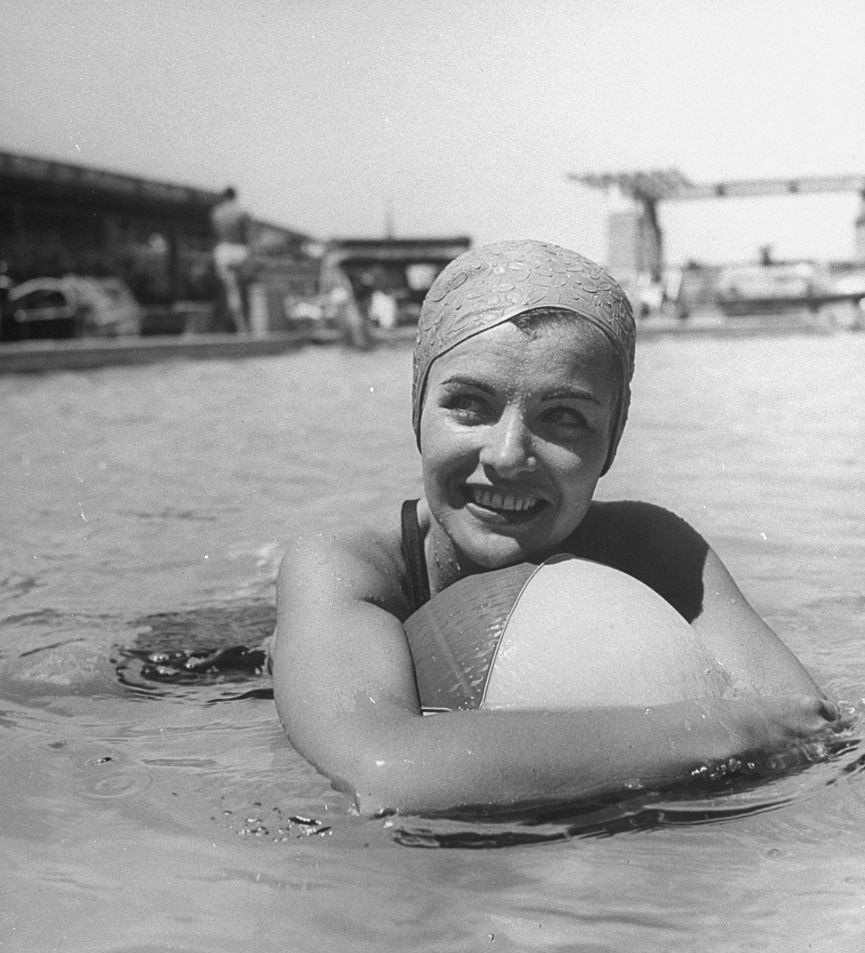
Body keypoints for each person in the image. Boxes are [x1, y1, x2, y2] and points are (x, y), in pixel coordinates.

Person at [271, 239, 847, 817]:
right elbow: (384, 772)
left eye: (564, 417)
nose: (506, 454)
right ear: (416, 411)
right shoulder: (347, 568)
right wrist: (715, 730)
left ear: (612, 440)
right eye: (469, 405)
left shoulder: (651, 551)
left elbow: (806, 726)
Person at [210, 186, 253, 334]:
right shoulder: (242, 212)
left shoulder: (216, 213)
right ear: (235, 196)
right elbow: (248, 236)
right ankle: (242, 327)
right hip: (240, 251)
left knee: (229, 290)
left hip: (224, 250)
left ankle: (229, 326)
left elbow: (217, 233)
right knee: (242, 290)